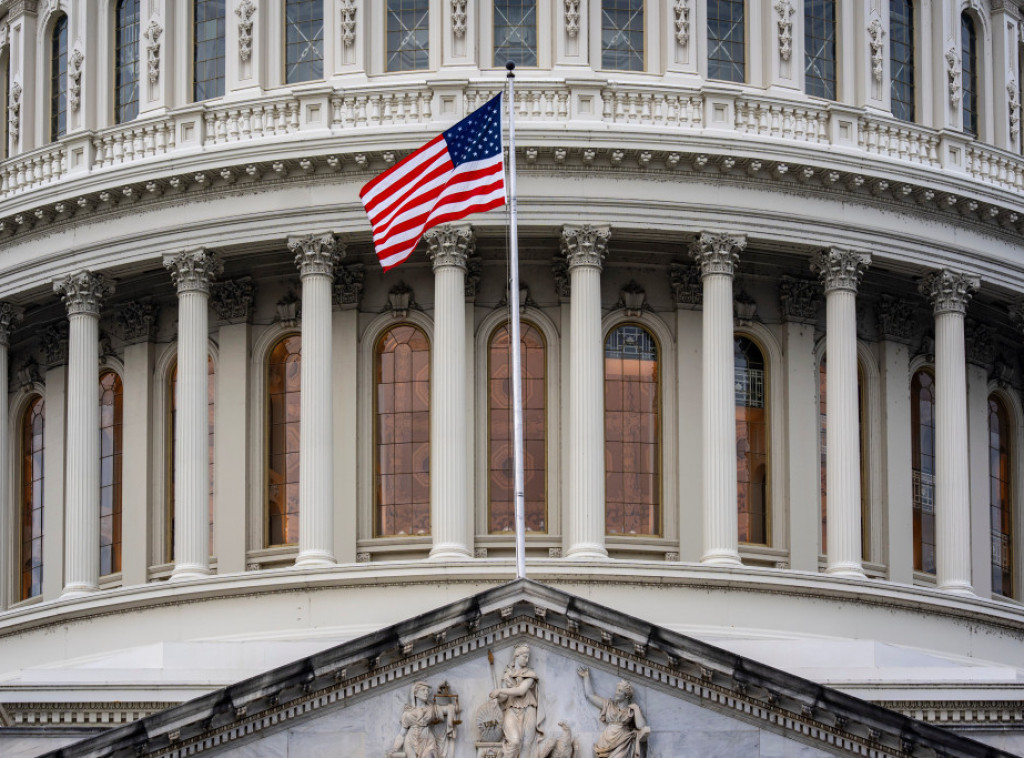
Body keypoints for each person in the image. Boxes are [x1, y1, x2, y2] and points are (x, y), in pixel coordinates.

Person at [577, 667, 650, 758]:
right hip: (606, 740)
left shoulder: (631, 710)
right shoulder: (609, 705)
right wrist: (586, 677)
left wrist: (636, 709)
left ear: (626, 696)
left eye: (619, 691)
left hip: (622, 741)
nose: (616, 693)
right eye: (617, 690)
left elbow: (642, 726)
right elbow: (591, 696)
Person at [488, 644, 542, 758]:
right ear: (516, 656)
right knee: (514, 741)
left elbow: (521, 691)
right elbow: (504, 697)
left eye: (528, 657)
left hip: (528, 710)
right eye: (524, 656)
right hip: (511, 710)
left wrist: (499, 690)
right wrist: (497, 697)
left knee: (527, 746)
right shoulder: (507, 674)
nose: (527, 660)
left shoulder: (530, 675)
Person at [390, 681, 457, 758]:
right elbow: (402, 734)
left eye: (427, 691)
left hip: (428, 739)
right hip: (411, 741)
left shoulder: (431, 709)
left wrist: (449, 694)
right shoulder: (408, 714)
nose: (426, 693)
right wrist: (394, 749)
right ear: (415, 693)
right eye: (423, 690)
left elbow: (451, 709)